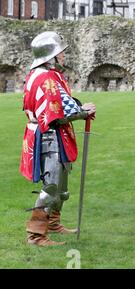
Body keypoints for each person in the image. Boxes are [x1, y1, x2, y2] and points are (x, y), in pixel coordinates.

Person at [20, 31, 96, 246]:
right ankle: (35, 235)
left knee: (61, 188)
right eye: (59, 52)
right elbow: (57, 115)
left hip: (54, 135)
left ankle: (53, 223)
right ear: (50, 56)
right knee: (51, 187)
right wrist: (84, 113)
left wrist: (80, 107)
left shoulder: (47, 74)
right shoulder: (44, 78)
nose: (63, 56)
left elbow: (64, 103)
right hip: (48, 136)